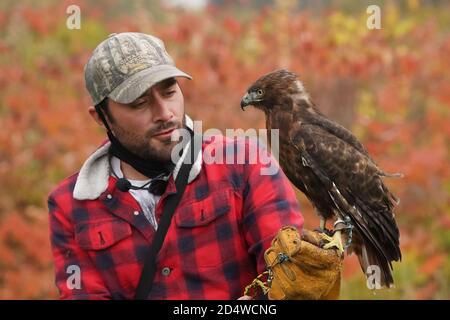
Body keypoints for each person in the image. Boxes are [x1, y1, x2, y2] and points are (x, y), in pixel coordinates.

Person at [47, 32, 304, 300]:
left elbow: (289, 276)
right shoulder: (69, 206)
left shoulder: (245, 162)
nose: (165, 113)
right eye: (139, 103)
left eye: (169, 92)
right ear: (101, 117)